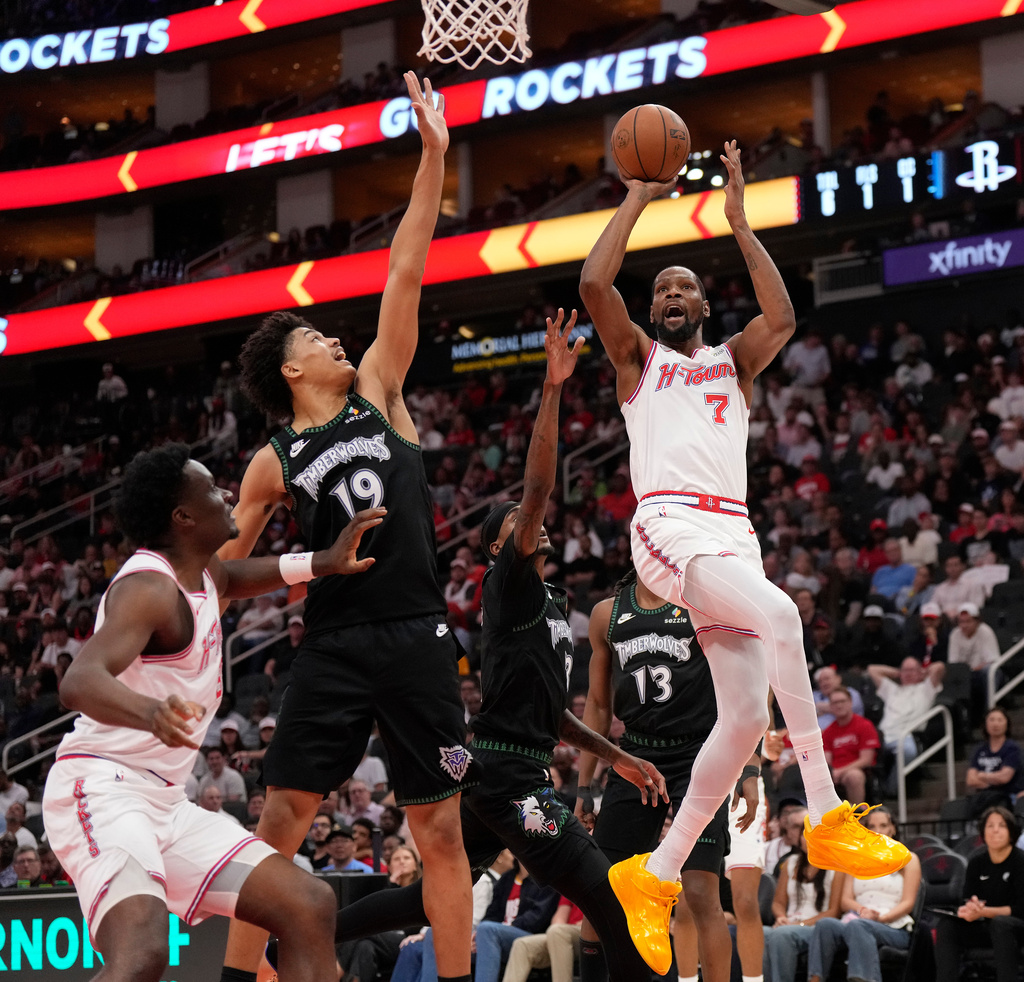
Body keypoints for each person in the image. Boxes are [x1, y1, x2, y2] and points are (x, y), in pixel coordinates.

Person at [578, 138, 907, 970]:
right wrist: (637, 198)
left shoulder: (734, 364)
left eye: (686, 288)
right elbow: (591, 284)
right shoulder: (637, 364)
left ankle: (650, 876)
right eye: (663, 291)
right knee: (786, 613)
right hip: (667, 526)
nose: (674, 296)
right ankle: (829, 812)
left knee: (745, 718)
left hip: (734, 532)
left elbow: (786, 316)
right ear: (654, 311)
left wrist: (737, 221)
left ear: (704, 306)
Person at [282, 313, 664, 982]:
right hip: (510, 777)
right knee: (608, 895)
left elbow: (554, 713)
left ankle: (315, 930)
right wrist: (551, 390)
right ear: (497, 546)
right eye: (518, 523)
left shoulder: (555, 603)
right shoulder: (511, 583)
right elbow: (539, 488)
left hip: (498, 765)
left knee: (432, 896)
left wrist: (616, 755)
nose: (534, 524)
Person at [219, 74, 479, 982]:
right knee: (281, 820)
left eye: (333, 333)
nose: (334, 339)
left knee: (438, 826)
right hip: (331, 641)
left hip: (414, 629)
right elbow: (216, 571)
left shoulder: (380, 386)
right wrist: (304, 564)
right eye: (314, 339)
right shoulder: (270, 461)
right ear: (288, 372)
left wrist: (435, 157)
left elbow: (405, 261)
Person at [40, 443, 380, 982]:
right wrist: (149, 711)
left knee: (308, 904)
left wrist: (323, 563)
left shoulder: (200, 572)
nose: (227, 494)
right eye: (212, 489)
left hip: (166, 802)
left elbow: (236, 578)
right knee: (142, 955)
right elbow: (78, 681)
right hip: (101, 788)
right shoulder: (148, 588)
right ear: (183, 516)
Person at [575, 568, 733, 982]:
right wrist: (584, 784)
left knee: (700, 893)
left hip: (699, 756)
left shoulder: (701, 603)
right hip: (636, 757)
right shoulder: (606, 615)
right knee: (603, 892)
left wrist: (748, 767)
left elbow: (744, 681)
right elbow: (596, 703)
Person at [807, 805, 922, 982]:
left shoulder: (909, 858)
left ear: (893, 828)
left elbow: (908, 903)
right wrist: (863, 912)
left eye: (883, 826)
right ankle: (815, 979)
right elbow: (845, 900)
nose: (878, 831)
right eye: (872, 827)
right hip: (858, 919)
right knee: (825, 925)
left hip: (893, 926)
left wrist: (880, 918)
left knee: (859, 926)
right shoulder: (855, 858)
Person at [935, 805, 1024, 982]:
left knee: (1000, 923)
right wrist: (970, 907)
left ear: (1011, 831)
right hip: (985, 925)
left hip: (1016, 927)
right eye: (990, 826)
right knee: (947, 925)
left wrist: (985, 912)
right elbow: (967, 897)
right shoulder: (976, 862)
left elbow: (1021, 908)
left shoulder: (1020, 860)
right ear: (983, 832)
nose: (995, 831)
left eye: (1001, 825)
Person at [763, 832, 845, 982]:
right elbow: (778, 903)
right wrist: (781, 917)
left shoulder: (837, 866)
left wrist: (798, 924)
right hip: (788, 923)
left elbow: (834, 912)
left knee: (781, 935)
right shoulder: (790, 862)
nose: (809, 839)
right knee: (761, 933)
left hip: (815, 928)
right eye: (805, 834)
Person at [822, 687, 880, 805]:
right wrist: (831, 773)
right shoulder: (828, 732)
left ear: (850, 703)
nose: (839, 705)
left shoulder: (865, 725)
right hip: (834, 773)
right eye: (835, 703)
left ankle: (855, 816)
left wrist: (840, 771)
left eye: (842, 701)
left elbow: (866, 760)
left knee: (854, 776)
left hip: (857, 771)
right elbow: (826, 760)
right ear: (830, 707)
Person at [966, 707, 1024, 816]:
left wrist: (983, 775)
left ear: (1007, 724)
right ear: (985, 724)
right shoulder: (979, 749)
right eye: (991, 720)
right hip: (985, 797)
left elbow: (1004, 777)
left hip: (1009, 797)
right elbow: (971, 780)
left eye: (999, 720)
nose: (995, 724)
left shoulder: (1012, 748)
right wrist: (993, 783)